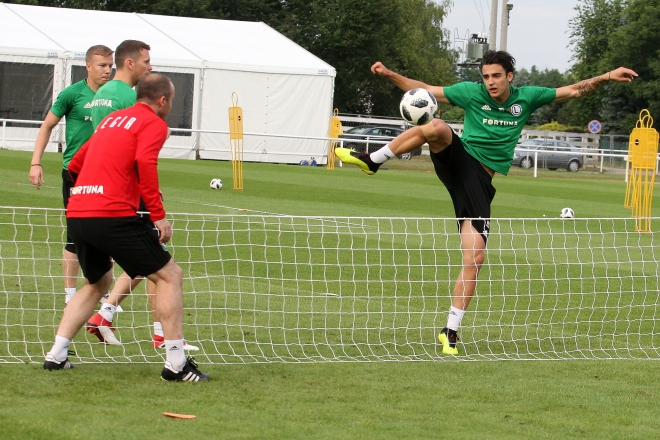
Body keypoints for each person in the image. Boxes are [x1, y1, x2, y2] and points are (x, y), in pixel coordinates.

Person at [335, 50, 637, 355]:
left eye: (496, 76)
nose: (490, 82)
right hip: (460, 161)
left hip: (478, 185)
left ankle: (449, 332)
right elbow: (424, 90)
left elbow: (574, 90)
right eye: (486, 77)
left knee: (475, 258)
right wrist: (390, 75)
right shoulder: (471, 93)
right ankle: (372, 159)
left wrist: (608, 75)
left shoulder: (527, 97)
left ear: (509, 77)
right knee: (438, 127)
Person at [43, 73, 209, 382]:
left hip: (79, 210)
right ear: (163, 101)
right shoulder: (154, 123)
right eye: (170, 101)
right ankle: (176, 364)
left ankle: (56, 354)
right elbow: (146, 163)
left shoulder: (111, 120)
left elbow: (76, 164)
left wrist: (87, 194)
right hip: (113, 214)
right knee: (170, 276)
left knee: (97, 283)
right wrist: (157, 215)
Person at [84, 40, 198, 350]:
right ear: (130, 63)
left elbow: (98, 143)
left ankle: (112, 317)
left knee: (147, 260)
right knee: (156, 262)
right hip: (124, 191)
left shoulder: (102, 94)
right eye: (147, 61)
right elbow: (136, 150)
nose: (150, 66)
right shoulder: (128, 98)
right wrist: (154, 204)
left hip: (97, 190)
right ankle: (157, 334)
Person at [29, 45, 114, 306]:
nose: (107, 70)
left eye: (110, 65)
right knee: (75, 235)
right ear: (88, 66)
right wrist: (36, 162)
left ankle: (102, 291)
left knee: (108, 232)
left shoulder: (117, 95)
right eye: (102, 65)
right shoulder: (73, 94)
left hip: (108, 175)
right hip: (76, 174)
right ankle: (70, 296)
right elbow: (47, 126)